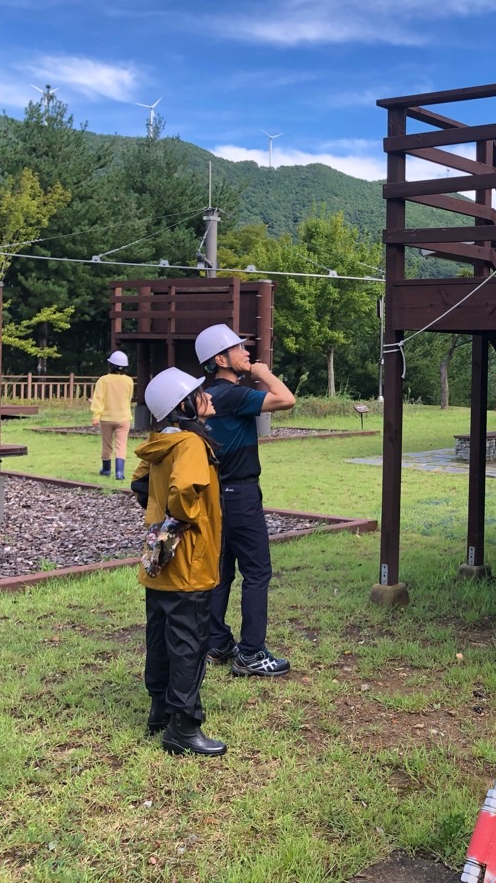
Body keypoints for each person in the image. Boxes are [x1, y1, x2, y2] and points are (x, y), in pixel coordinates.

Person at [132, 366, 226, 756]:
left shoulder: (160, 442)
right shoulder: (189, 443)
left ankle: (160, 711)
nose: (208, 397)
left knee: (160, 634)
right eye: (200, 393)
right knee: (189, 641)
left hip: (159, 561)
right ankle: (183, 727)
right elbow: (184, 490)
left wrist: (161, 524)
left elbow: (138, 483)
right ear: (183, 405)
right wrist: (184, 518)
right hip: (188, 561)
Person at [193, 323, 297, 678]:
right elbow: (286, 399)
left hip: (216, 494)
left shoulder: (206, 396)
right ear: (221, 359)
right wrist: (263, 373)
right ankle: (251, 653)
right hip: (241, 494)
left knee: (221, 573)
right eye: (239, 349)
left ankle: (218, 642)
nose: (247, 353)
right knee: (257, 571)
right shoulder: (233, 395)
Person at [90, 350, 135, 480]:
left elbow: (98, 399)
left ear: (111, 365)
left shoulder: (103, 380)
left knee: (107, 445)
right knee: (121, 445)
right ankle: (120, 473)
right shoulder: (129, 381)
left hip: (106, 418)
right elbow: (128, 398)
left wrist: (96, 416)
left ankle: (106, 470)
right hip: (124, 417)